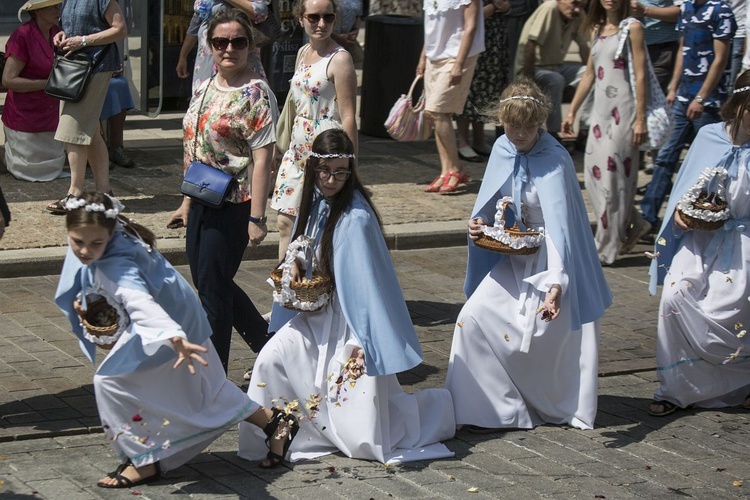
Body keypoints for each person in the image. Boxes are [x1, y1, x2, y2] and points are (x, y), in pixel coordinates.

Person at [238, 129, 456, 464]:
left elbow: (367, 290)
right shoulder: (313, 202)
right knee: (270, 359)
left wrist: (366, 343)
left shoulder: (357, 217)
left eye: (340, 172)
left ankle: (436, 410)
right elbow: (303, 246)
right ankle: (280, 430)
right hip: (316, 314)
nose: (330, 180)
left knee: (355, 418)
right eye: (324, 171)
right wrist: (296, 261)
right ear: (313, 169)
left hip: (350, 321)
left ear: (350, 172)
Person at [54, 193, 300, 488]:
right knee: (204, 389)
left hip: (170, 326)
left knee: (111, 381)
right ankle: (275, 421)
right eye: (77, 241)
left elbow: (138, 300)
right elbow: (91, 274)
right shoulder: (105, 232)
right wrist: (88, 298)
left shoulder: (117, 262)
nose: (84, 250)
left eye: (95, 243)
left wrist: (172, 336)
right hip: (176, 321)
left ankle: (146, 460)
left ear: (109, 232)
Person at [445, 80, 612, 432]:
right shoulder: (502, 148)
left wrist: (556, 284)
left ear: (540, 123)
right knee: (471, 318)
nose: (519, 134)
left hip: (552, 261)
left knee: (551, 340)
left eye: (528, 126)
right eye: (512, 125)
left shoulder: (556, 159)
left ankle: (553, 402)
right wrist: (479, 225)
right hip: (514, 255)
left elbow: (562, 230)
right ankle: (491, 407)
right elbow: (491, 207)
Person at [167, 9, 276, 376]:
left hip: (234, 204)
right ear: (210, 46)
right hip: (201, 199)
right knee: (209, 282)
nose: (229, 49)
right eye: (220, 42)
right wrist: (185, 202)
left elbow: (263, 161)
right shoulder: (205, 86)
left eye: (238, 42)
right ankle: (268, 346)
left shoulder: (256, 94)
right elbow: (193, 147)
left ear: (250, 46)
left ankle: (214, 377)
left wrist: (258, 218)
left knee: (213, 291)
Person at [646, 72, 750, 417]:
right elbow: (685, 188)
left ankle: (739, 383)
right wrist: (678, 217)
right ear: (738, 107)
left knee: (729, 305)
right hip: (699, 239)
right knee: (675, 298)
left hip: (742, 242)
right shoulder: (708, 136)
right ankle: (674, 389)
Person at [562, 0, 650, 264]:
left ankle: (605, 248)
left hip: (624, 113)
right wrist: (572, 112)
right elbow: (589, 74)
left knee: (612, 179)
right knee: (594, 179)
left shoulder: (633, 28)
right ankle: (635, 222)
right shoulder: (596, 27)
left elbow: (642, 75)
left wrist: (641, 119)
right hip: (600, 113)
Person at [270, 0, 358, 261]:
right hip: (297, 152)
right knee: (285, 222)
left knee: (318, 225)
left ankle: (315, 286)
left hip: (325, 154)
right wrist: (280, 146)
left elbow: (349, 116)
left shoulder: (340, 59)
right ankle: (285, 288)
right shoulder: (303, 52)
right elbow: (294, 106)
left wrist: (351, 165)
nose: (321, 24)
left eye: (328, 18)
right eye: (314, 17)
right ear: (301, 19)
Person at [639, 0, 736, 230]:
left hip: (708, 101)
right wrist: (673, 87)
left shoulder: (720, 10)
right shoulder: (687, 8)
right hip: (683, 97)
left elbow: (721, 59)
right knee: (665, 157)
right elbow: (683, 49)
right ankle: (648, 218)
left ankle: (704, 215)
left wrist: (701, 97)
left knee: (709, 165)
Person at [46, 0, 127, 214]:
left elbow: (119, 29)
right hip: (76, 68)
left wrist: (83, 40)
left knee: (72, 129)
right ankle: (104, 193)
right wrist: (61, 35)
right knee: (90, 131)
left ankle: (76, 193)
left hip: (96, 66)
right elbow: (74, 28)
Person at [419, 0, 484, 193]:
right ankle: (446, 171)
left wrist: (459, 63)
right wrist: (422, 57)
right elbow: (430, 28)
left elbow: (471, 27)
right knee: (436, 115)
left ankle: (456, 169)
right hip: (434, 56)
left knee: (436, 111)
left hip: (457, 56)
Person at [1, 0, 65, 182]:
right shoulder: (22, 35)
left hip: (51, 111)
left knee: (53, 164)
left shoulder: (58, 32)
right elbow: (9, 79)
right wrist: (47, 84)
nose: (57, 10)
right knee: (25, 170)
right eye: (52, 6)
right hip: (25, 114)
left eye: (58, 6)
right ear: (37, 11)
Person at [514, 0, 591, 140]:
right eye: (574, 3)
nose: (578, 9)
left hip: (557, 67)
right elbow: (530, 45)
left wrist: (589, 76)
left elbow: (584, 47)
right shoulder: (550, 8)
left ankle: (585, 130)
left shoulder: (577, 15)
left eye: (582, 6)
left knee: (592, 74)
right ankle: (553, 133)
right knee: (556, 80)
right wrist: (527, 81)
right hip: (534, 67)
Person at [455, 0, 511, 163]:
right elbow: (471, 17)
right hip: (474, 44)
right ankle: (463, 142)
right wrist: (495, 7)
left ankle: (479, 140)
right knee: (468, 93)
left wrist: (505, 7)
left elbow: (507, 7)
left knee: (486, 94)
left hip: (494, 45)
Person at [176, 0, 269, 92]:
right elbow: (194, 28)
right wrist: (183, 56)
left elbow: (260, 12)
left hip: (240, 67)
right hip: (207, 67)